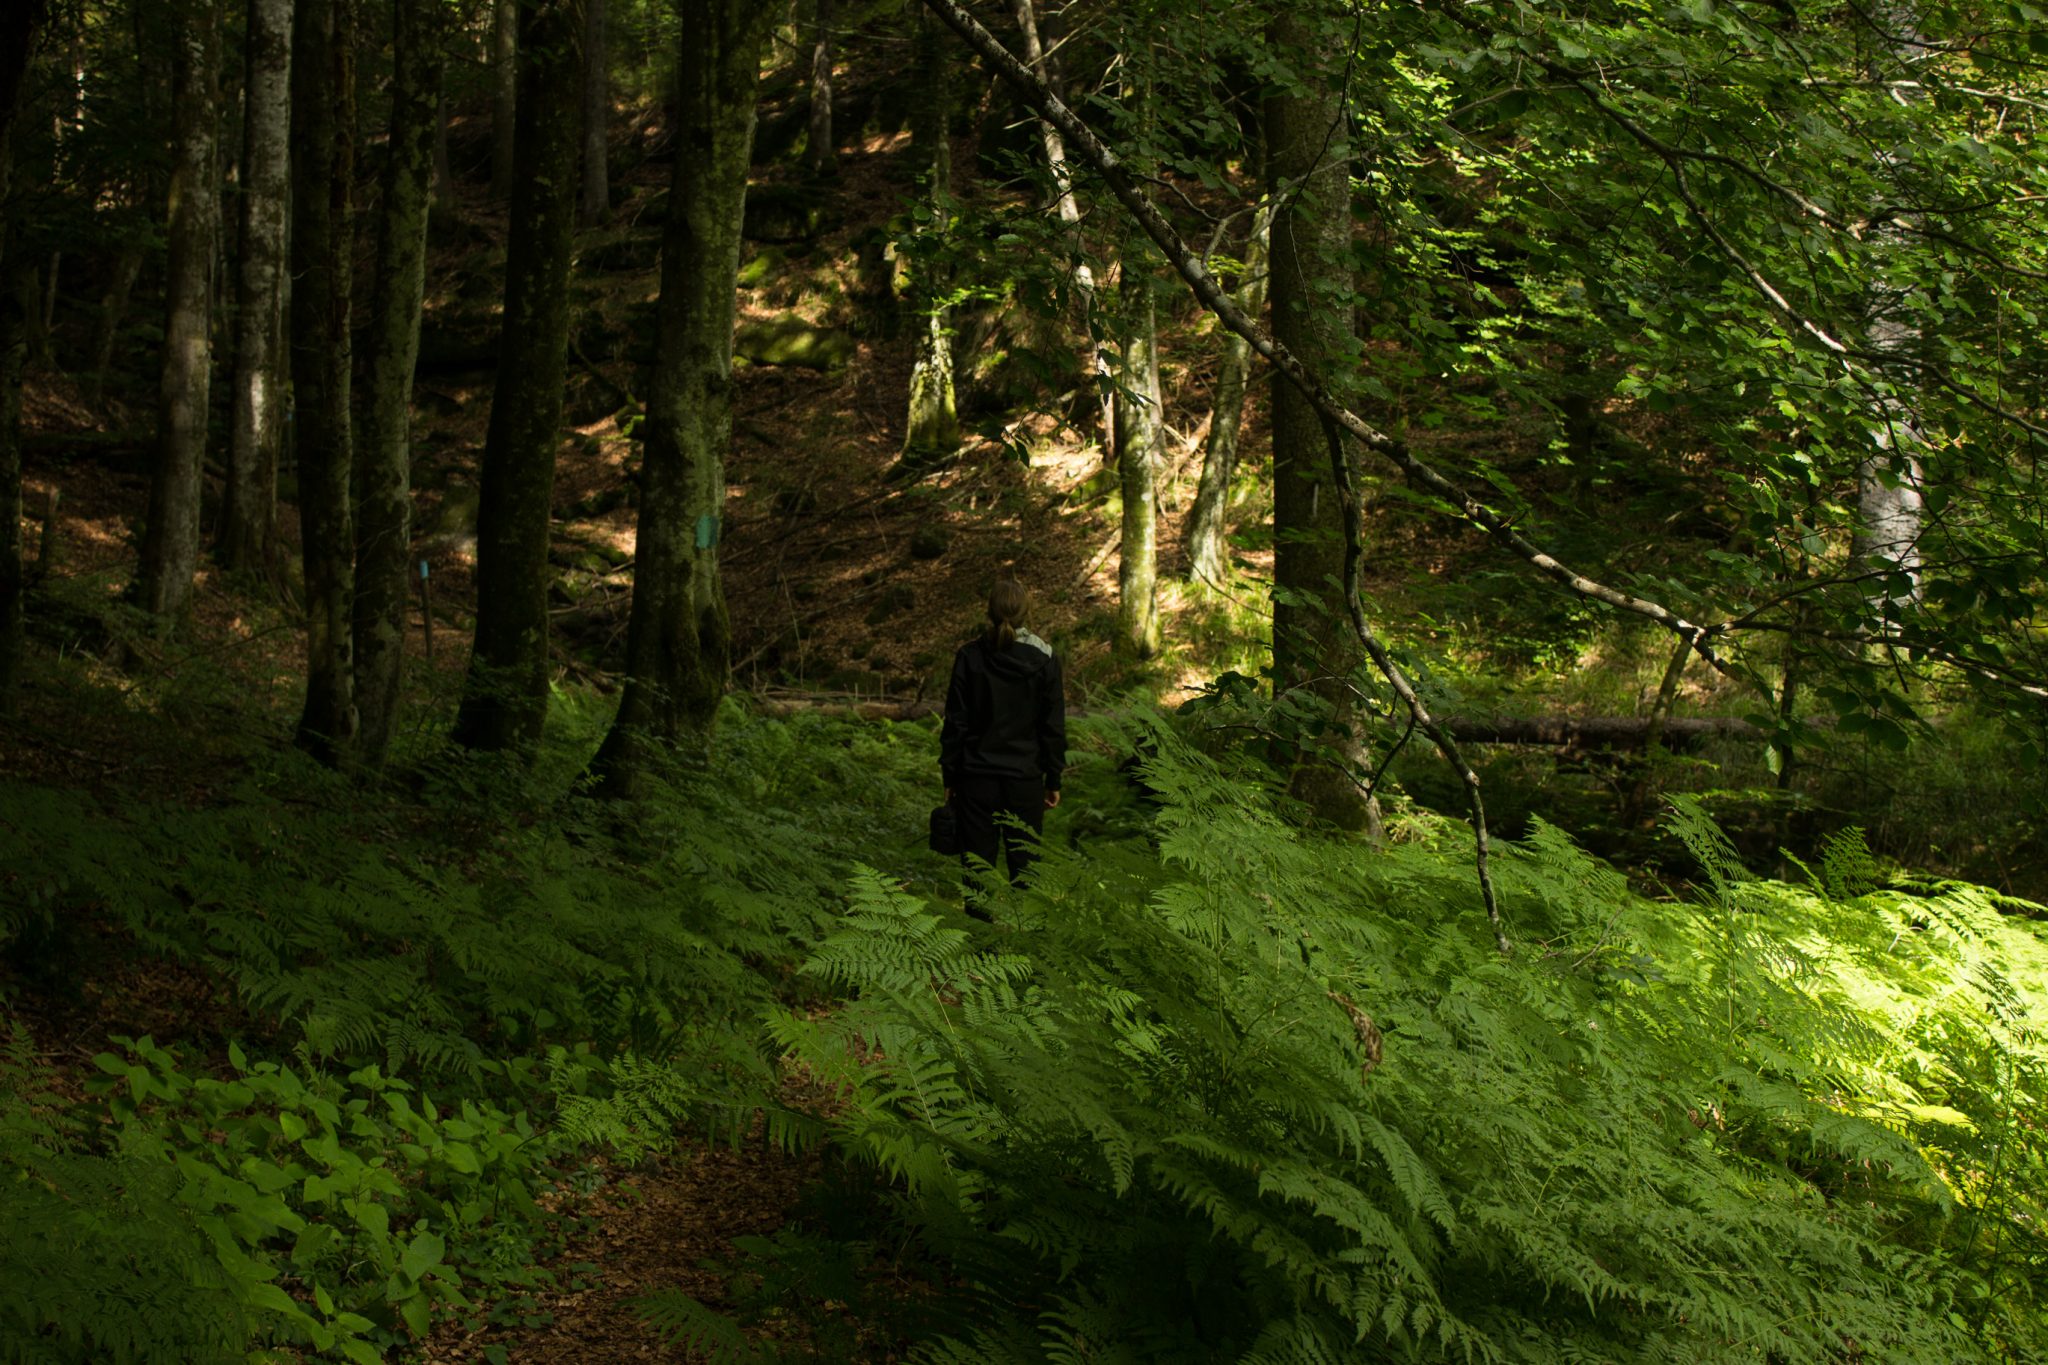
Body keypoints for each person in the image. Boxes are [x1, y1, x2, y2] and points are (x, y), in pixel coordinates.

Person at [940, 578, 1066, 892]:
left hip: (975, 780)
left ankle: (983, 938)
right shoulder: (1045, 660)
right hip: (1024, 780)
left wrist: (950, 778)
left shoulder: (969, 656)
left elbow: (956, 723)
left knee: (977, 870)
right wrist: (1053, 780)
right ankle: (1025, 938)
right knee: (1027, 871)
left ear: (989, 612)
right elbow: (1052, 726)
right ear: (1027, 613)